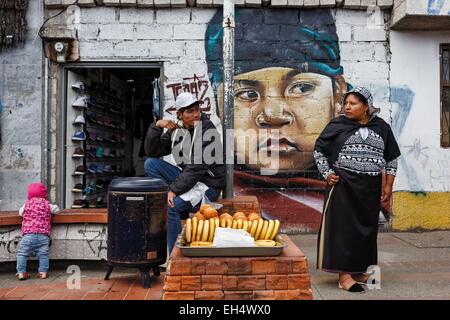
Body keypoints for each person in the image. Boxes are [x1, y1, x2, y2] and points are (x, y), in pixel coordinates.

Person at [205, 8, 348, 230]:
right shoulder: (217, 201)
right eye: (247, 94)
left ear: (338, 93)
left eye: (301, 87)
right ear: (218, 103)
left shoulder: (353, 197)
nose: (273, 116)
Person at [314, 86, 401, 293]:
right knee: (344, 230)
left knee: (367, 231)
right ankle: (344, 275)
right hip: (343, 186)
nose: (347, 107)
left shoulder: (382, 127)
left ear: (366, 106)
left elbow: (391, 157)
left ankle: (360, 270)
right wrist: (327, 173)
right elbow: (319, 150)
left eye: (353, 103)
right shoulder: (337, 125)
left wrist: (388, 186)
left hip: (369, 188)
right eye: (345, 103)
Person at [144, 92, 226, 253]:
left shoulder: (207, 130)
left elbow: (197, 168)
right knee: (150, 164)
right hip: (190, 181)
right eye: (190, 111)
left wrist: (174, 190)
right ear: (179, 115)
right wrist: (157, 126)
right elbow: (152, 151)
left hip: (208, 185)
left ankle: (174, 254)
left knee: (171, 208)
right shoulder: (177, 129)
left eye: (197, 110)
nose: (196, 114)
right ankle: (170, 199)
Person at [16, 182, 60, 280]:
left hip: (28, 235)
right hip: (43, 235)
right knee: (43, 254)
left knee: (22, 253)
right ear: (44, 194)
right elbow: (57, 210)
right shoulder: (47, 204)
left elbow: (20, 213)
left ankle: (21, 272)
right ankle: (43, 272)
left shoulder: (27, 204)